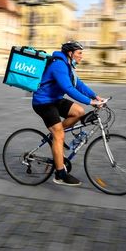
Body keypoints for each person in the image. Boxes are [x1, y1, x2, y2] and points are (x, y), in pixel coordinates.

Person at [32, 41, 104, 186]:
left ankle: (56, 137)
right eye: (79, 53)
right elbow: (69, 88)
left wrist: (95, 96)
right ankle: (60, 174)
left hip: (55, 99)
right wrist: (90, 102)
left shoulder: (68, 65)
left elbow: (78, 84)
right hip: (43, 102)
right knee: (59, 134)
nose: (81, 56)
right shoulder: (59, 65)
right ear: (70, 53)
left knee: (78, 112)